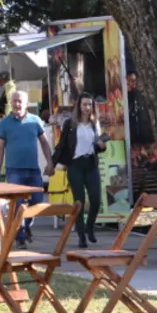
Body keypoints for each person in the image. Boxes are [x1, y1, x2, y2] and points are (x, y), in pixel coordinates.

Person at [0, 90, 55, 248]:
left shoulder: (35, 121)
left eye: (20, 101)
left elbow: (44, 143)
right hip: (14, 170)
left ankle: (26, 226)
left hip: (33, 169)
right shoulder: (4, 123)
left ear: (27, 104)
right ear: (10, 103)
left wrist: (50, 162)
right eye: (14, 100)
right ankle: (20, 236)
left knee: (37, 202)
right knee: (18, 204)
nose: (17, 104)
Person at [52, 92, 107, 247]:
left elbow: (97, 146)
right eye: (84, 104)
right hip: (75, 165)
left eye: (90, 105)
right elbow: (62, 144)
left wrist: (101, 146)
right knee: (79, 201)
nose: (87, 108)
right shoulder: (70, 123)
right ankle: (81, 235)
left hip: (91, 164)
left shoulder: (94, 123)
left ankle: (90, 227)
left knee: (96, 200)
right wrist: (52, 163)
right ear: (79, 106)